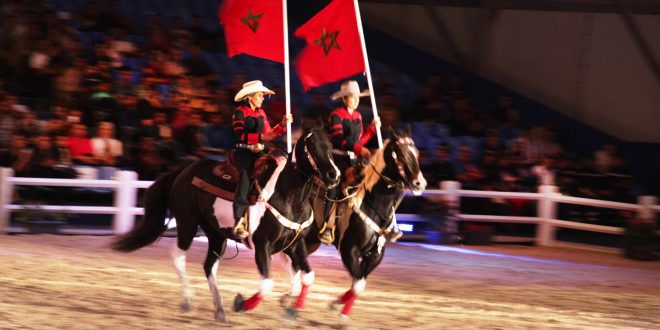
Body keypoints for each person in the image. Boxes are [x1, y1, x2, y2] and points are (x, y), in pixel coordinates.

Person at [319, 80, 380, 244]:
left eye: (357, 97)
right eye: (354, 97)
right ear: (345, 99)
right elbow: (338, 140)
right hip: (338, 157)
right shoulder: (336, 115)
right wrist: (359, 149)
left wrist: (372, 130)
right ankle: (328, 225)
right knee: (334, 186)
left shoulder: (358, 116)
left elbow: (359, 140)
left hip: (353, 158)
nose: (357, 100)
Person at [232, 80, 292, 239]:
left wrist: (282, 124)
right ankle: (238, 221)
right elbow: (239, 134)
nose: (263, 98)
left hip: (259, 152)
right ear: (250, 97)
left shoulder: (261, 113)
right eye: (260, 95)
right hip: (243, 152)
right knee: (244, 181)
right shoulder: (240, 112)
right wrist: (259, 137)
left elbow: (270, 134)